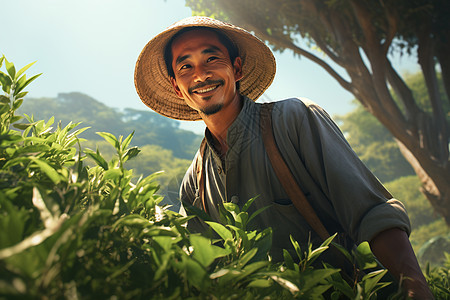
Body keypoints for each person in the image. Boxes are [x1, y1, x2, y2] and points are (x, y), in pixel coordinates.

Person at [135, 16, 433, 299]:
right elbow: (212, 273)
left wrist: (414, 287)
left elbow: (371, 213)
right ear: (177, 87)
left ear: (237, 69)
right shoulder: (194, 183)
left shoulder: (294, 119)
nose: (200, 74)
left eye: (212, 58)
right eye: (185, 66)